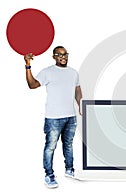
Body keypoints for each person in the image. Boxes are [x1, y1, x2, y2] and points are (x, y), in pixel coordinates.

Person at [24, 46, 82, 188]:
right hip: (53, 118)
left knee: (68, 145)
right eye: (59, 55)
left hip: (70, 117)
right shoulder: (48, 72)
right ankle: (49, 175)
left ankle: (69, 170)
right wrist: (27, 66)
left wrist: (81, 104)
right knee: (50, 147)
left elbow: (77, 89)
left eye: (65, 54)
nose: (63, 57)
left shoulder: (73, 73)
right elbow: (32, 85)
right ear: (54, 57)